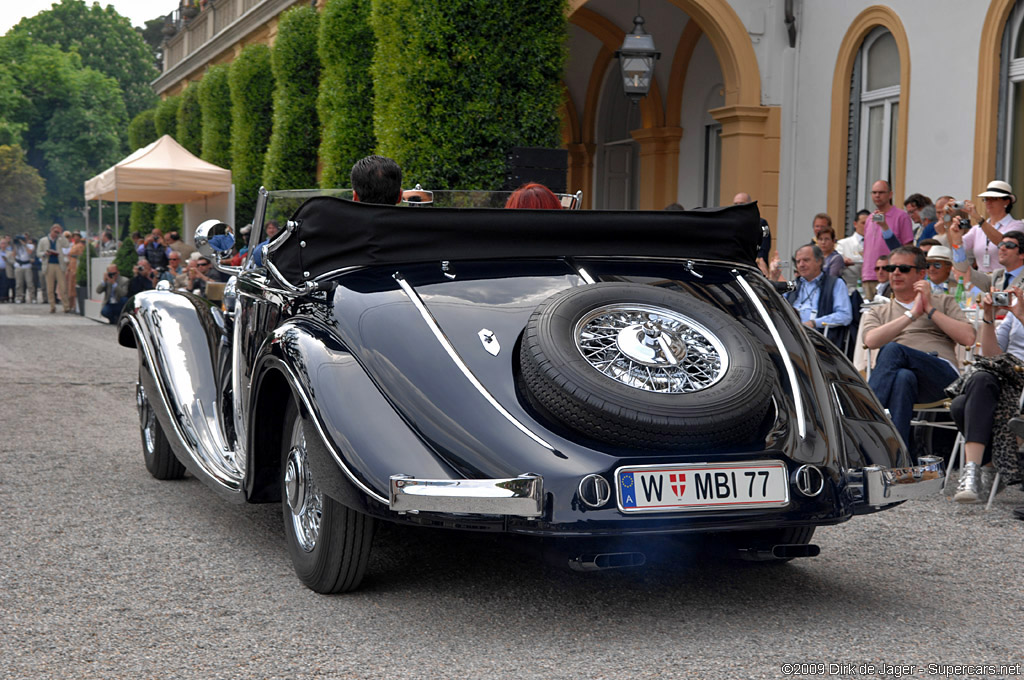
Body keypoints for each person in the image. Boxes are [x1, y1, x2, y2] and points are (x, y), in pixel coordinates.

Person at [861, 245, 976, 447]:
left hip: (941, 378)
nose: (896, 273)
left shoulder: (944, 301)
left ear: (921, 274)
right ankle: (900, 457)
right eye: (891, 269)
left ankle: (865, 418)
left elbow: (968, 338)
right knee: (903, 376)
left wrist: (929, 309)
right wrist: (911, 314)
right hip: (907, 380)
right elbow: (871, 341)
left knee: (893, 350)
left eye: (903, 269)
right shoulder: (878, 311)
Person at [947, 286, 1024, 503]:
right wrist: (988, 318)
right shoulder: (1015, 311)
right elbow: (990, 356)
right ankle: (973, 472)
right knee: (975, 385)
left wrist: (1022, 317)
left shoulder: (1020, 311)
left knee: (961, 405)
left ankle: (986, 468)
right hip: (1006, 378)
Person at [778, 244, 852, 335]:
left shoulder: (836, 283)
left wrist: (814, 323)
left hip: (819, 337)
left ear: (819, 261)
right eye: (798, 262)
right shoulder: (793, 285)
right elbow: (777, 309)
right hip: (792, 335)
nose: (801, 265)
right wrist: (774, 276)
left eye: (806, 260)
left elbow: (845, 315)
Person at [862, 180, 914, 298]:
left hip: (891, 275)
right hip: (869, 275)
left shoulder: (901, 216)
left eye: (881, 192)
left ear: (890, 194)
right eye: (874, 192)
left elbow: (908, 249)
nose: (877, 196)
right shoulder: (869, 218)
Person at [959, 180, 1024, 274]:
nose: (988, 202)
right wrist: (950, 226)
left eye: (993, 198)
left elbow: (1003, 243)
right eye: (986, 199)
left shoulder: (1017, 225)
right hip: (982, 280)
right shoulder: (977, 229)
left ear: (1006, 201)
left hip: (1005, 279)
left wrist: (979, 219)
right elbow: (958, 247)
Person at [948, 225, 1024, 294]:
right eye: (1001, 244)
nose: (1002, 248)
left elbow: (1005, 306)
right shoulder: (998, 275)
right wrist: (956, 241)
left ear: (1022, 254)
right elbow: (963, 272)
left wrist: (968, 285)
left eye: (1009, 245)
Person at [733, 192, 771, 275]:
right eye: (736, 204)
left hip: (754, 266)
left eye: (742, 203)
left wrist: (761, 259)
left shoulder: (760, 223)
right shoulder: (730, 224)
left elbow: (764, 246)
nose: (738, 206)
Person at [35, 224, 70, 314]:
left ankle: (66, 306)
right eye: (55, 231)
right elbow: (38, 253)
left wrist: (61, 235)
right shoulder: (43, 240)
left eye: (58, 231)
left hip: (59, 265)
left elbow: (67, 245)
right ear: (51, 231)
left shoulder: (60, 240)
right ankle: (52, 306)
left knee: (63, 287)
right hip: (49, 264)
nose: (56, 233)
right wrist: (45, 253)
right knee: (50, 288)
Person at [837, 209, 868, 292]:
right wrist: (842, 260)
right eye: (863, 223)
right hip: (848, 289)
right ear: (855, 224)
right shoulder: (843, 244)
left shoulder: (877, 244)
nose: (866, 226)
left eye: (869, 223)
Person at [10, 235, 35, 304]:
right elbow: (13, 255)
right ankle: (19, 297)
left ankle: (32, 297)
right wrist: (15, 246)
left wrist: (24, 245)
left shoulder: (30, 246)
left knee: (29, 282)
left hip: (27, 266)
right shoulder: (16, 246)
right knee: (19, 283)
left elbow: (30, 252)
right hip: (19, 266)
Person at [65, 232, 84, 312]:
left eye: (76, 236)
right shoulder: (73, 245)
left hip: (76, 265)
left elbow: (80, 255)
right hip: (71, 265)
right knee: (70, 287)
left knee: (74, 287)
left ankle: (75, 306)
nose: (75, 238)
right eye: (74, 236)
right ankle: (71, 305)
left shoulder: (80, 246)